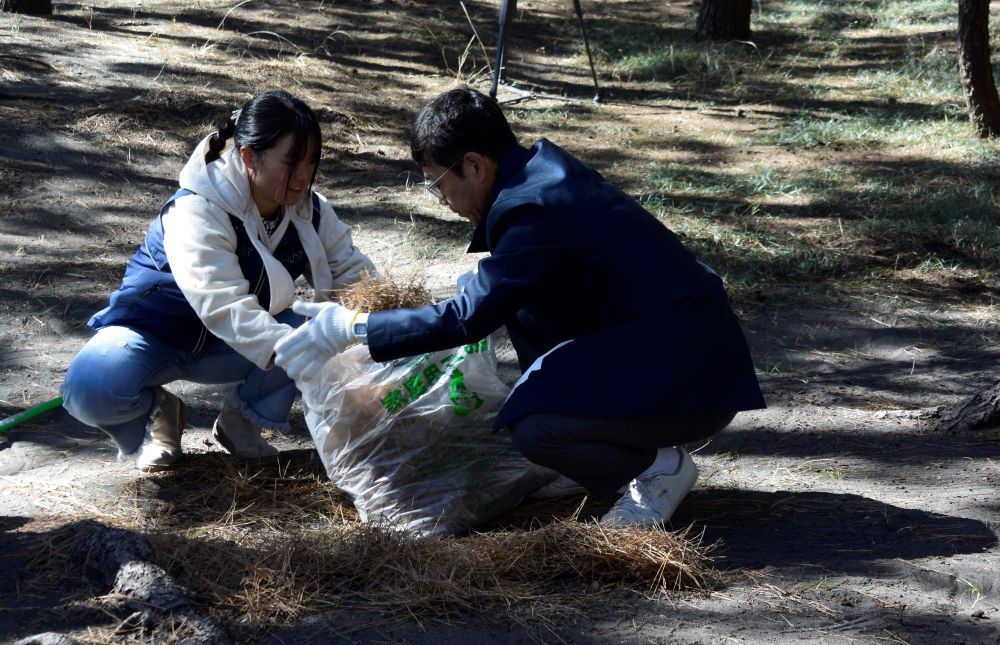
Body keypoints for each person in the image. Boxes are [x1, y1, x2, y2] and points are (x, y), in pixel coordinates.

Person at [274, 87, 765, 527]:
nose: (441, 200)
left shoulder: (533, 211)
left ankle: (657, 469)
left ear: (474, 165)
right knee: (529, 346)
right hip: (681, 355)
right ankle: (597, 459)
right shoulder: (543, 178)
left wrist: (352, 329)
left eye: (436, 182)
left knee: (534, 430)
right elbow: (508, 291)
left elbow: (469, 317)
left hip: (690, 381)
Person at [62, 90, 373, 472]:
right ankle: (162, 416)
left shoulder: (310, 210)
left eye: (311, 161)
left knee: (320, 329)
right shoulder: (198, 209)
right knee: (88, 388)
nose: (304, 175)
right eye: (292, 162)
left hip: (228, 350)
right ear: (248, 157)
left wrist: (397, 324)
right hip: (154, 338)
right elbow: (223, 305)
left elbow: (353, 274)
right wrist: (305, 347)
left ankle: (240, 425)